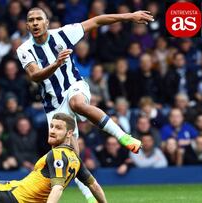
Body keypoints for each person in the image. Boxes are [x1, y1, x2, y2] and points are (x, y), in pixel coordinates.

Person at [16, 7, 152, 201]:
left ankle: (123, 137)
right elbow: (35, 75)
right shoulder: (24, 49)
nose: (35, 23)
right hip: (53, 104)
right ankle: (91, 198)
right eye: (31, 20)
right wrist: (56, 64)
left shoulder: (62, 34)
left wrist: (129, 16)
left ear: (47, 23)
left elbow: (96, 21)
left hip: (74, 86)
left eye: (39, 19)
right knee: (71, 158)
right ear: (28, 26)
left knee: (76, 103)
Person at [0, 113, 106, 203]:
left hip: (12, 196)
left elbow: (57, 188)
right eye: (52, 126)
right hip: (15, 189)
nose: (53, 130)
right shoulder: (75, 161)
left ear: (69, 134)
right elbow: (95, 186)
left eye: (58, 128)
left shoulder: (57, 154)